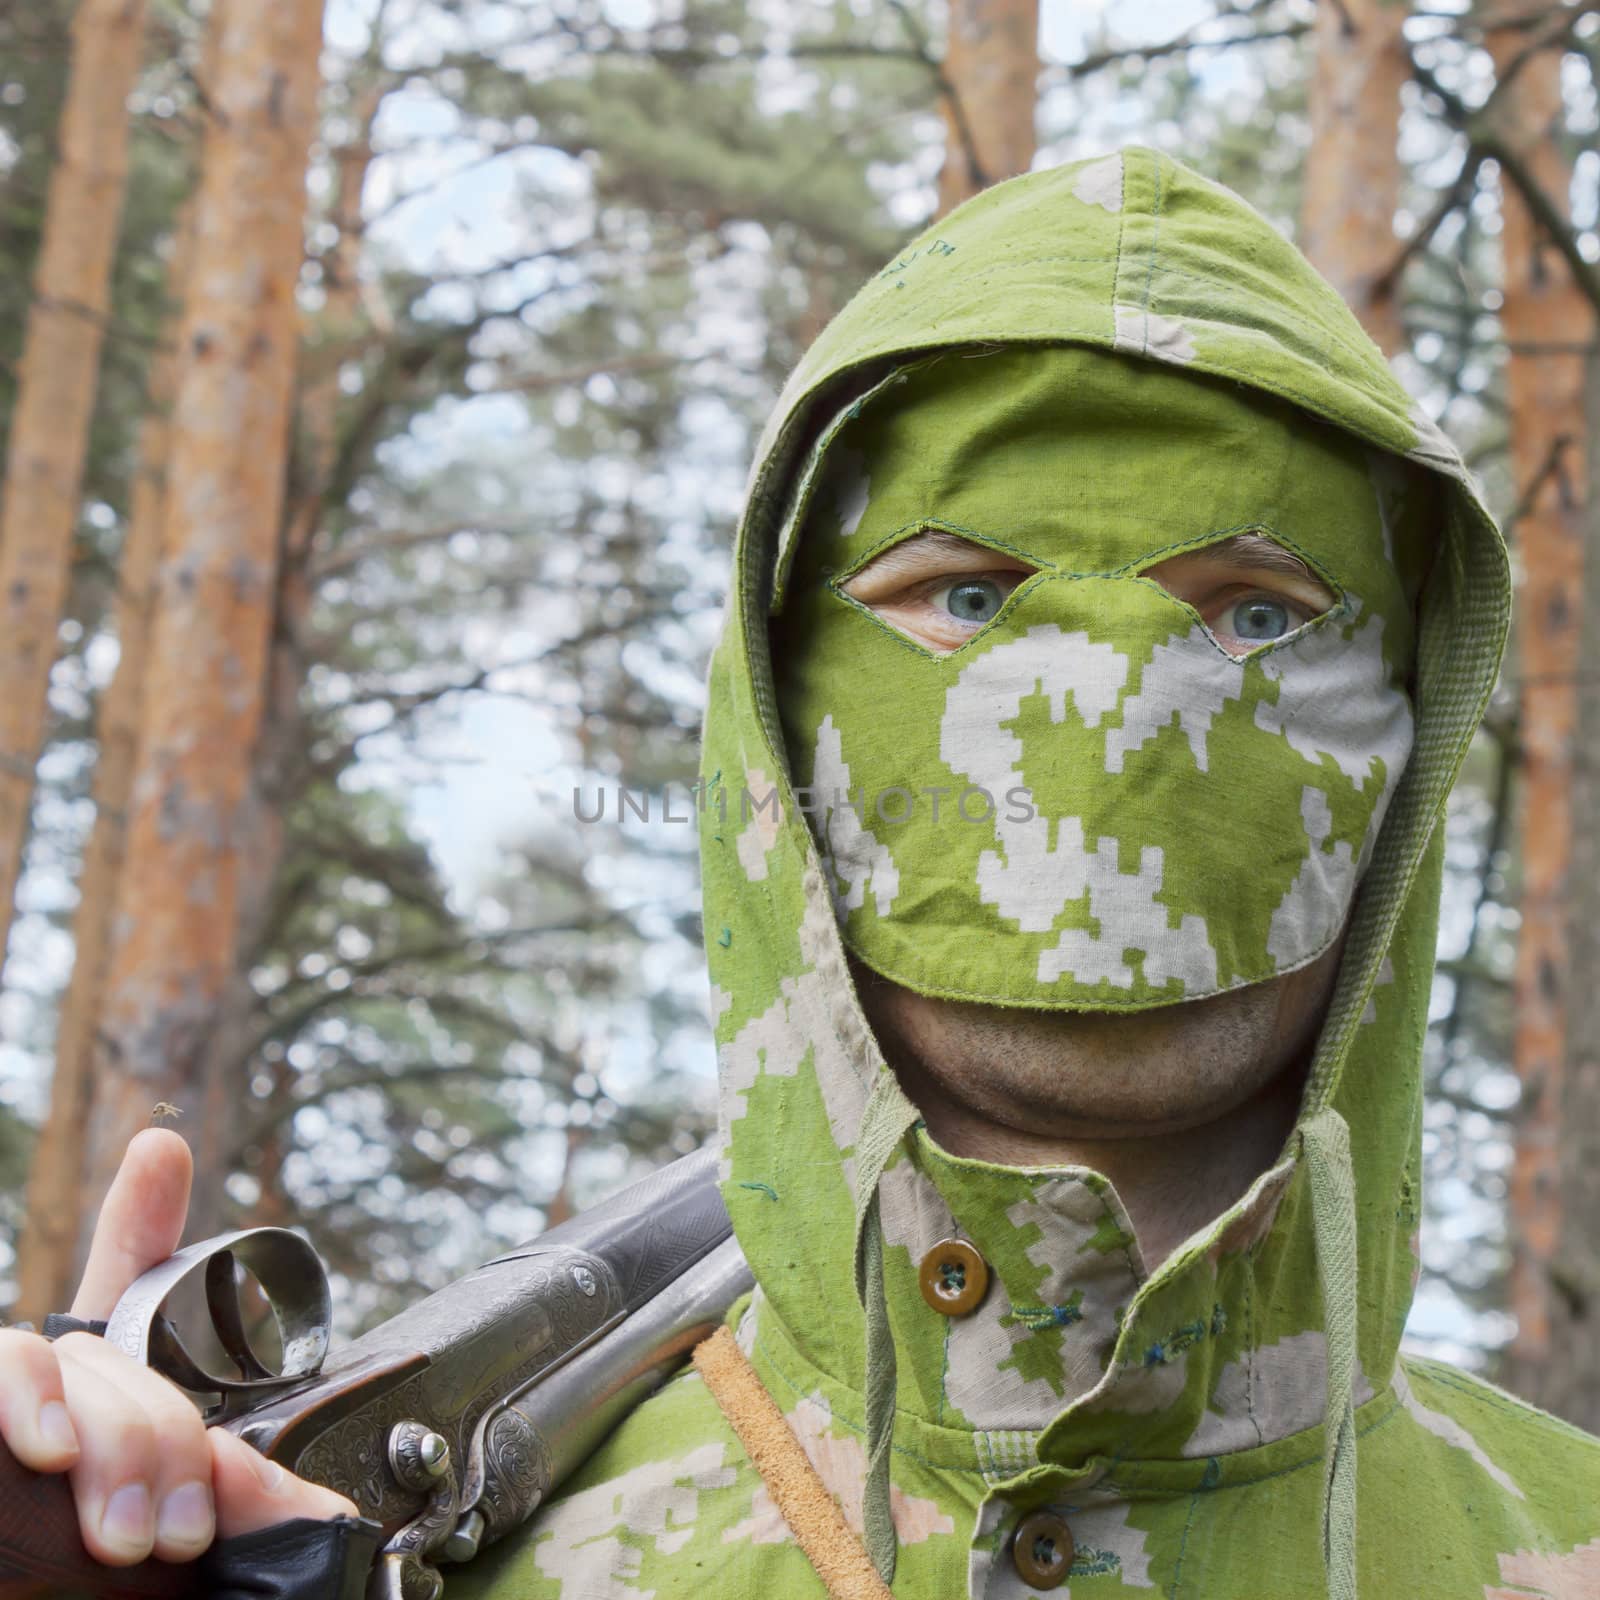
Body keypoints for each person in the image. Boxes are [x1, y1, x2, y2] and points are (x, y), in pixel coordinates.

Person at [3, 147, 1596, 1599]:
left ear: (1418, 727)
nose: (1114, 719)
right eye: (966, 600)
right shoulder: (409, 1559)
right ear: (773, 724)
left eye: (1256, 616)